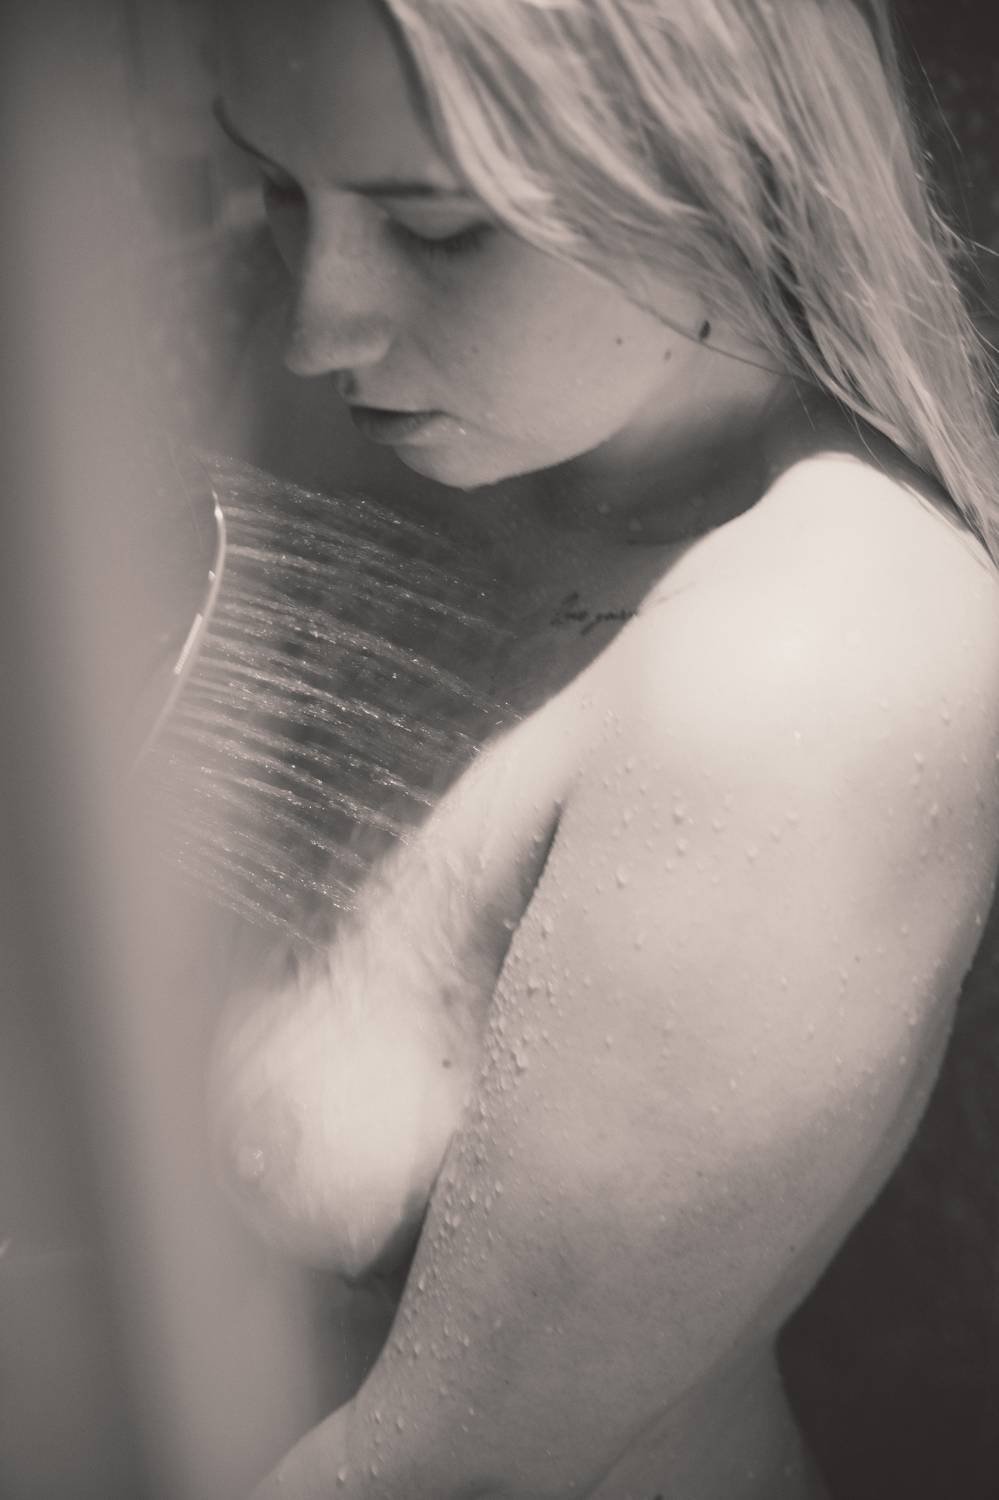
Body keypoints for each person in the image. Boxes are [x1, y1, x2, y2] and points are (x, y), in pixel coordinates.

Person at [205, 2, 999, 1496]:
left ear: (712, 167)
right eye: (273, 186)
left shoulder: (818, 666)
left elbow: (457, 1471)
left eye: (440, 231)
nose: (317, 325)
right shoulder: (346, 375)